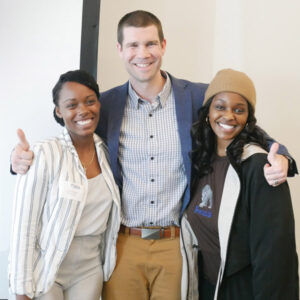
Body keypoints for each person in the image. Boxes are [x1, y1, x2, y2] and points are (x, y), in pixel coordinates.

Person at [11, 11, 297, 300]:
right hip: (124, 244)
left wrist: (282, 157)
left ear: (163, 45)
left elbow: (241, 124)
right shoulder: (105, 104)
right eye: (133, 45)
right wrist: (21, 158)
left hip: (174, 245)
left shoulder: (197, 96)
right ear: (120, 50)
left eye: (150, 44)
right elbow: (72, 139)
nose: (142, 54)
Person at [181, 69, 299, 300]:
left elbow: (275, 255)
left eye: (239, 110)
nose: (229, 116)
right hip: (205, 287)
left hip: (244, 290)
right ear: (208, 112)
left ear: (248, 119)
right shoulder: (200, 160)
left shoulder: (261, 168)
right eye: (220, 107)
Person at [8, 70, 121, 300]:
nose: (83, 110)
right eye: (72, 105)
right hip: (47, 269)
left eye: (90, 101)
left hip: (90, 270)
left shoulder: (108, 153)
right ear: (59, 111)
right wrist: (21, 291)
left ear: (99, 104)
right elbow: (24, 227)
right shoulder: (44, 153)